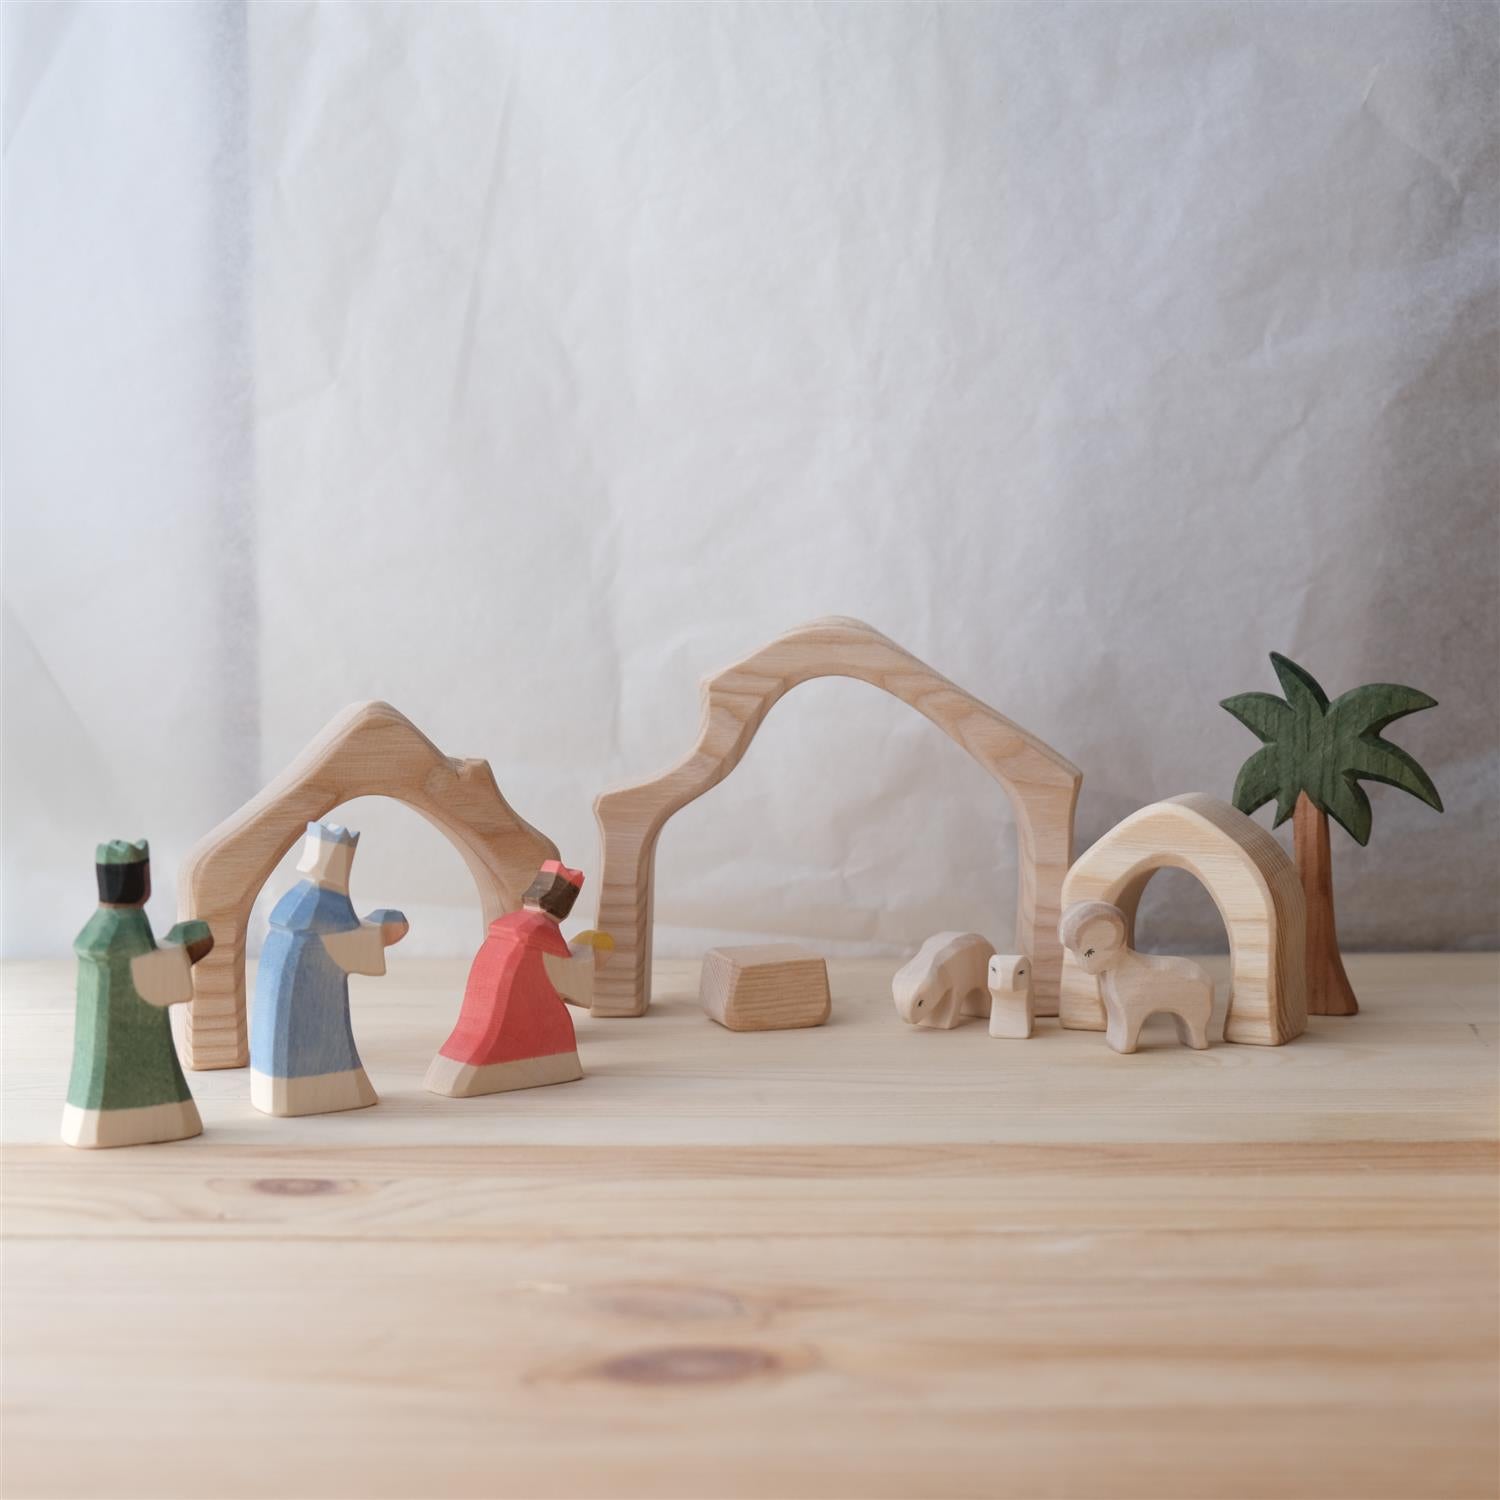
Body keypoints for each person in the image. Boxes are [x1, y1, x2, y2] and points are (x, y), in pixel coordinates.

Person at [250, 821, 407, 1116]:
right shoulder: (324, 903)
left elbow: (342, 939)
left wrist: (371, 929)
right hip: (309, 1019)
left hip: (269, 1062)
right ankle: (325, 1091)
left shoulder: (297, 901)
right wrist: (381, 931)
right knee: (321, 1043)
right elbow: (343, 945)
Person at [64, 839, 213, 1148]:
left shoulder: (104, 926)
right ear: (140, 880)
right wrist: (184, 948)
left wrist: (171, 948)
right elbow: (147, 974)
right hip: (131, 1045)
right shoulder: (125, 926)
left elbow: (145, 960)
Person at [425, 859, 607, 1097]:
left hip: (462, 1050)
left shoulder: (507, 925)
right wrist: (592, 949)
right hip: (526, 1048)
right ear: (565, 903)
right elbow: (577, 989)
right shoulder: (541, 932)